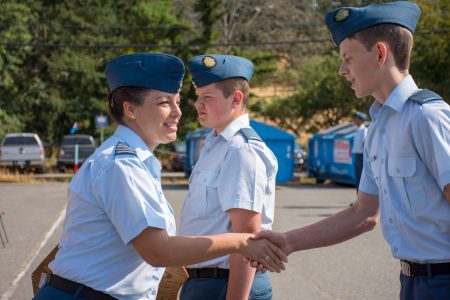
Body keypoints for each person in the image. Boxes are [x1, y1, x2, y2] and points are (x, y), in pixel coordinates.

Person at [33, 53, 287, 300]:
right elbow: (158, 251)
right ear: (131, 109)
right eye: (165, 103)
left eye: (177, 101)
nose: (178, 112)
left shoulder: (133, 163)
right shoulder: (122, 166)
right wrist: (240, 242)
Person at [253, 2, 450, 300]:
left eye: (347, 58)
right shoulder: (377, 130)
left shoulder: (427, 117)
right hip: (412, 282)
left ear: (381, 54)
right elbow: (364, 214)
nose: (341, 71)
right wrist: (288, 241)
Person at [178, 54, 278, 300]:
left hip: (226, 285)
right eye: (198, 97)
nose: (198, 104)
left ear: (236, 98)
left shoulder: (241, 150)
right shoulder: (215, 144)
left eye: (208, 97)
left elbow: (246, 237)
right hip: (204, 282)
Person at [352, 111, 367, 191]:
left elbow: (365, 143)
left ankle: (361, 200)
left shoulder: (363, 130)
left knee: (361, 178)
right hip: (357, 155)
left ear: (361, 120)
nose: (354, 120)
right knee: (357, 178)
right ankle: (358, 199)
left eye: (356, 118)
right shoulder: (357, 130)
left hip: (361, 156)